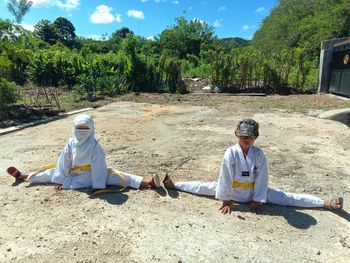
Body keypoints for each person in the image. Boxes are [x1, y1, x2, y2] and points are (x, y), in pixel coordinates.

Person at [163, 118, 343, 214]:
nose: (246, 139)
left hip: (253, 192)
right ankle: (174, 184)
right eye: (243, 136)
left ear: (256, 137)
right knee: (203, 186)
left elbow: (262, 178)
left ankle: (325, 204)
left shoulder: (259, 155)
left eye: (250, 136)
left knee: (287, 198)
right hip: (232, 191)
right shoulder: (230, 153)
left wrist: (257, 199)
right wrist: (226, 199)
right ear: (236, 134)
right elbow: (225, 177)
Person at [7, 114, 160, 192]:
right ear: (74, 128)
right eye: (79, 128)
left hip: (90, 175)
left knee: (119, 176)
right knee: (47, 173)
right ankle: (21, 176)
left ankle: (149, 183)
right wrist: (60, 179)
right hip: (72, 174)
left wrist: (98, 185)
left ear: (92, 129)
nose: (82, 131)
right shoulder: (70, 142)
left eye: (85, 128)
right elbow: (64, 162)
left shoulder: (94, 145)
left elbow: (98, 166)